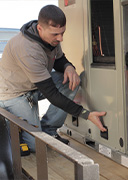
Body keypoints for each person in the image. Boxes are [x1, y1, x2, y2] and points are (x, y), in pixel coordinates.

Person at [0, 5, 107, 152]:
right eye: (56, 34)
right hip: (14, 94)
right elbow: (52, 94)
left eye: (62, 33)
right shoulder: (27, 49)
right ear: (40, 29)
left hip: (34, 85)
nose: (60, 38)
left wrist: (69, 67)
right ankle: (13, 131)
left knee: (71, 79)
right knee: (35, 147)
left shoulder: (50, 39)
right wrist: (86, 114)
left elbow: (59, 59)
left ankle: (49, 129)